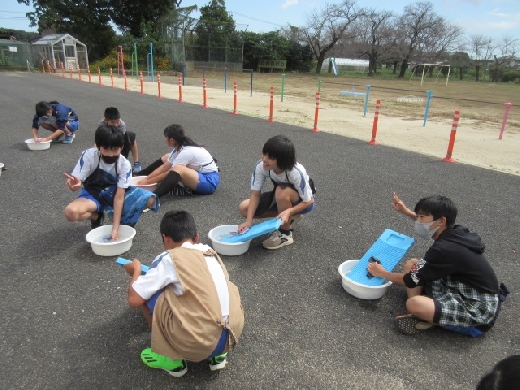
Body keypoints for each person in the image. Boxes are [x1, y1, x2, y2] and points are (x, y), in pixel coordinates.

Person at [123, 210, 244, 377]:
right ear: (196, 237)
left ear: (165, 238)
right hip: (231, 336)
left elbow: (134, 299)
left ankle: (171, 359)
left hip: (199, 343)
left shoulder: (169, 258)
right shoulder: (209, 251)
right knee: (221, 290)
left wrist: (135, 271)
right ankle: (217, 357)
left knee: (155, 294)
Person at [368, 193, 501, 336]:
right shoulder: (455, 231)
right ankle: (425, 312)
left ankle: (426, 315)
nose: (418, 222)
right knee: (412, 264)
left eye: (422, 217)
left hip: (477, 307)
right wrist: (406, 211)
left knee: (414, 303)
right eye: (418, 216)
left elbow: (409, 280)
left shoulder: (444, 249)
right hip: (458, 287)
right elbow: (428, 225)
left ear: (441, 221)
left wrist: (382, 273)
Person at [63, 124, 159, 240]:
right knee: (71, 213)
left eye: (115, 150)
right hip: (93, 193)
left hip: (114, 193)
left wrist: (115, 229)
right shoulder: (89, 156)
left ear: (121, 147)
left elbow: (119, 197)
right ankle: (96, 217)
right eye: (106, 149)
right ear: (98, 147)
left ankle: (121, 221)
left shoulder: (124, 164)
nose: (110, 154)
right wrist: (74, 185)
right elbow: (76, 182)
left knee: (149, 199)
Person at [237, 135, 315, 250]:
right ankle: (289, 217)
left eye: (270, 157)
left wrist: (289, 211)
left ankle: (285, 234)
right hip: (282, 197)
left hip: (303, 202)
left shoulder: (296, 172)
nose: (264, 159)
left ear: (282, 160)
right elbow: (255, 194)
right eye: (264, 153)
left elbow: (309, 201)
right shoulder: (261, 166)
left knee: (281, 192)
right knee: (244, 208)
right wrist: (248, 221)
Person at [138, 124, 220, 198]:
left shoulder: (186, 151)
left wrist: (148, 182)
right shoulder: (179, 148)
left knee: (178, 168)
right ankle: (139, 175)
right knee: (167, 157)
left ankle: (154, 198)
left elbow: (169, 172)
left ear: (171, 140)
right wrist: (146, 179)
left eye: (165, 137)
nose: (164, 139)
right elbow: (164, 167)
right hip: (199, 175)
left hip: (209, 182)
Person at [99, 107, 142, 173]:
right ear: (105, 121)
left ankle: (136, 163)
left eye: (117, 121)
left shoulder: (122, 124)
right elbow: (100, 140)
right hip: (106, 143)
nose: (116, 125)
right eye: (113, 122)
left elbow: (119, 140)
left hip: (118, 143)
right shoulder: (101, 125)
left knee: (130, 135)